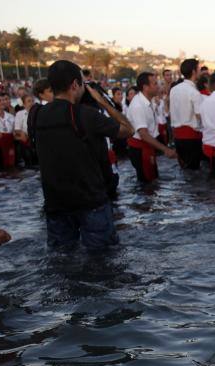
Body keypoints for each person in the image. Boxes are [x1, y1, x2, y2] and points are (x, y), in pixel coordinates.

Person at [34, 60, 133, 249]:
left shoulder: (36, 115)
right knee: (103, 261)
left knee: (62, 262)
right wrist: (102, 101)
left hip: (55, 203)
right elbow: (128, 130)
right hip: (90, 201)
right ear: (74, 85)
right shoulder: (85, 114)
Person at [127, 72, 177, 182]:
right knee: (147, 183)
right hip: (140, 148)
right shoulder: (138, 105)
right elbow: (143, 134)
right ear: (145, 87)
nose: (158, 86)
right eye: (155, 84)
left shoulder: (149, 100)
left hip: (148, 145)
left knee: (153, 179)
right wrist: (166, 150)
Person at [170, 58, 204, 169]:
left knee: (184, 169)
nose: (200, 72)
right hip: (191, 137)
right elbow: (200, 115)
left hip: (177, 136)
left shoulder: (174, 89)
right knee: (194, 171)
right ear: (194, 72)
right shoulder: (194, 92)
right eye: (198, 69)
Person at [13, 94, 37, 167]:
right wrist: (22, 133)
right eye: (29, 101)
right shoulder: (20, 114)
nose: (32, 103)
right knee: (29, 164)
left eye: (33, 101)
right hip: (26, 141)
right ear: (24, 104)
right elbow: (17, 129)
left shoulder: (38, 112)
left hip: (37, 141)